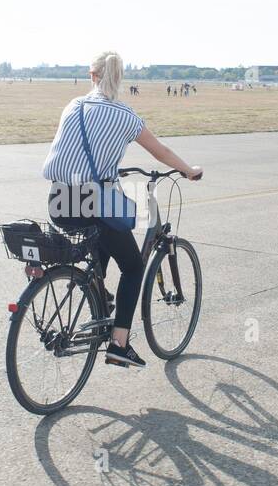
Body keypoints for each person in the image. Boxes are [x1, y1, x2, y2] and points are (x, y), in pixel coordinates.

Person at [42, 50, 203, 369]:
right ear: (120, 79)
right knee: (131, 266)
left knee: (97, 241)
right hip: (92, 200)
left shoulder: (73, 105)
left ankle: (98, 293)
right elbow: (161, 151)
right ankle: (119, 344)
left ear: (93, 76)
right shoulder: (126, 116)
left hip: (58, 199)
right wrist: (187, 170)